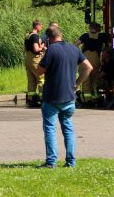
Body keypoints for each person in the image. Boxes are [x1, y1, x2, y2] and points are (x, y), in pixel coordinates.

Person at [36, 25, 93, 168]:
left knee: (50, 129)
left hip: (52, 98)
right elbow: (89, 67)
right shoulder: (74, 49)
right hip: (69, 97)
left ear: (48, 39)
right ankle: (71, 162)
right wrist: (78, 83)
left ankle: (51, 162)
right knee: (68, 128)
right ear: (61, 35)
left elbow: (40, 71)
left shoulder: (51, 50)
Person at [75, 23, 108, 99]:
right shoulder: (102, 36)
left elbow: (75, 44)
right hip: (96, 59)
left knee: (86, 80)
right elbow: (113, 37)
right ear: (98, 28)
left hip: (85, 59)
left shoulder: (85, 36)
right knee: (94, 79)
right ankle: (95, 98)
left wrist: (78, 54)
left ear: (90, 28)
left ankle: (87, 99)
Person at [24, 20, 45, 107]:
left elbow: (24, 49)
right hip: (35, 60)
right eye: (41, 26)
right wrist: (43, 48)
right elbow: (36, 49)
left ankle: (31, 99)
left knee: (31, 80)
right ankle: (43, 99)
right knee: (41, 79)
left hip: (28, 59)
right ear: (37, 26)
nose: (41, 28)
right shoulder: (35, 36)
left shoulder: (28, 35)